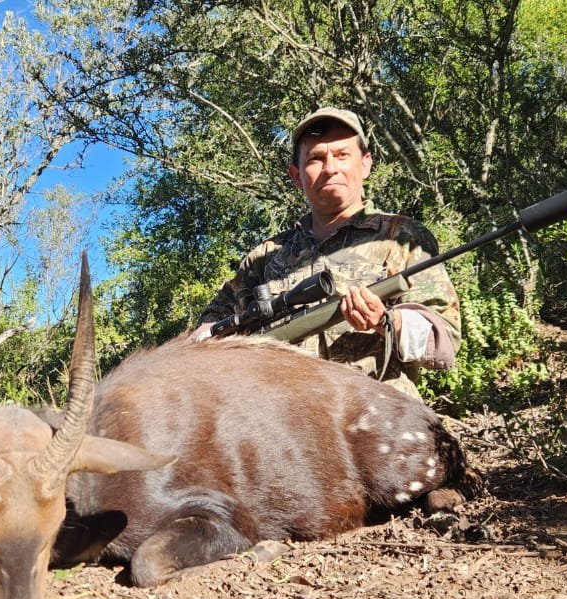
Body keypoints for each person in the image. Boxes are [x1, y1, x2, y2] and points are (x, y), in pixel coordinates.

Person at [193, 107, 460, 401]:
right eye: (316, 159)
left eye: (342, 155)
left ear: (366, 164)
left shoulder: (402, 237)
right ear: (296, 175)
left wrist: (386, 322)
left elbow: (444, 340)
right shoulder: (265, 257)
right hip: (280, 423)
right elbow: (208, 329)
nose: (330, 167)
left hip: (376, 422)